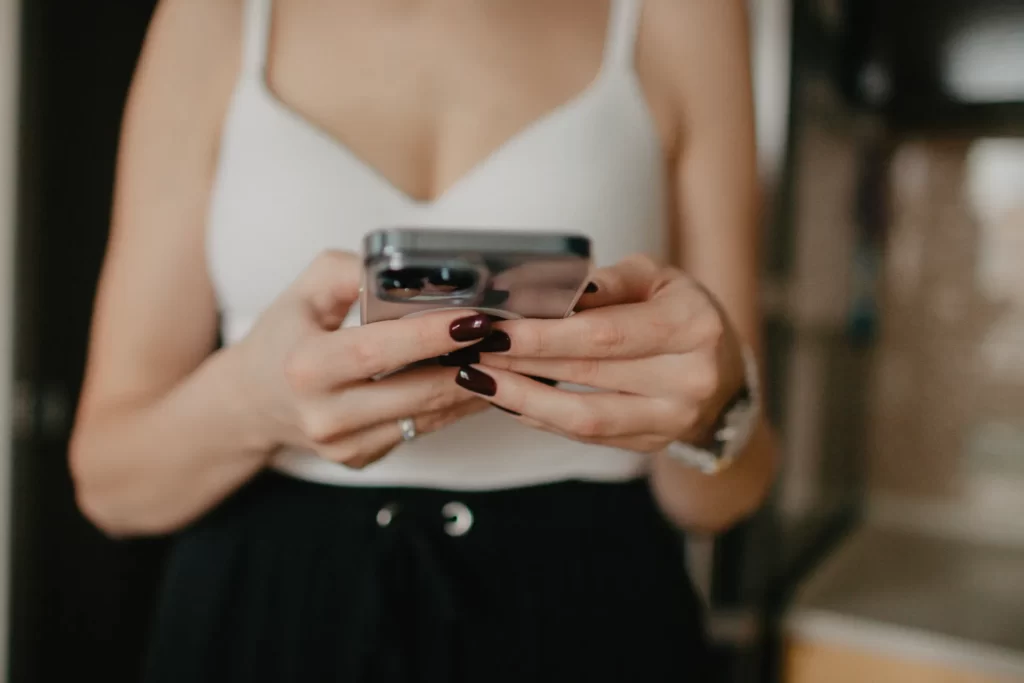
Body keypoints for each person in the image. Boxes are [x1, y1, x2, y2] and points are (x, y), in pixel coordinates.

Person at [70, 0, 778, 680]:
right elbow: (112, 484)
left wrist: (717, 401)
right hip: (268, 607)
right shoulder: (215, 14)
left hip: (589, 607)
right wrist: (254, 404)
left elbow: (719, 499)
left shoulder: (683, 13)